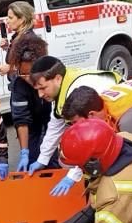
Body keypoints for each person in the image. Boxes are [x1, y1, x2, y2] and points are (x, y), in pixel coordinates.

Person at [26, 56, 119, 188]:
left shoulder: (79, 95)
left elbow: (94, 143)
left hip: (122, 120)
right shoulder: (63, 88)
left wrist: (73, 175)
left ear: (57, 78)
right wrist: (42, 160)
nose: (40, 95)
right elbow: (55, 126)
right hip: (111, 122)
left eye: (43, 88)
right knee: (65, 156)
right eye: (37, 90)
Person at [9, 43, 50, 171]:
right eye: (23, 74)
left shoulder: (52, 78)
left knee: (52, 157)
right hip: (32, 121)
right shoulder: (19, 85)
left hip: (51, 119)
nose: (28, 79)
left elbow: (58, 119)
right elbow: (21, 120)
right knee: (31, 158)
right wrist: (24, 152)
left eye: (31, 74)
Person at [0, 0, 43, 79]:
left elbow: (32, 65)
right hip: (17, 85)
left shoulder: (29, 39)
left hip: (26, 88)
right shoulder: (18, 37)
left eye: (10, 18)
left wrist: (10, 67)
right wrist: (7, 48)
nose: (7, 21)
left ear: (22, 19)